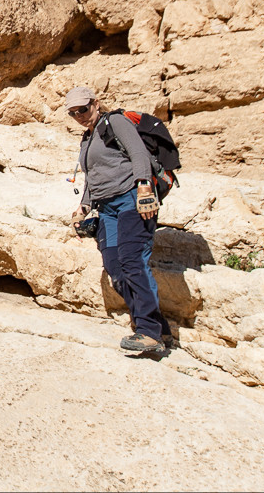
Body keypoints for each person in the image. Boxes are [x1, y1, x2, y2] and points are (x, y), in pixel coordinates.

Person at [65, 86, 174, 354]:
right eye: (73, 112)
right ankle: (159, 328)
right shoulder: (87, 138)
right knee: (115, 266)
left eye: (83, 109)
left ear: (96, 103)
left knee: (132, 260)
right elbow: (94, 176)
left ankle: (148, 331)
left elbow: (138, 153)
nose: (79, 115)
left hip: (131, 200)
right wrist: (84, 207)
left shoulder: (115, 121)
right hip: (107, 209)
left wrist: (145, 187)